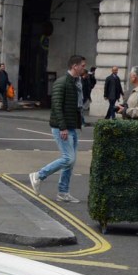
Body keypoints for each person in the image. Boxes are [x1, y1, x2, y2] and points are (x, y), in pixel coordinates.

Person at [28, 54, 86, 202]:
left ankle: (63, 192)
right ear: (75, 66)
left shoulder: (76, 82)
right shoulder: (62, 82)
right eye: (82, 66)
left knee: (71, 162)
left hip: (72, 126)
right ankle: (39, 175)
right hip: (62, 127)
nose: (84, 68)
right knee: (68, 158)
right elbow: (57, 107)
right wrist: (63, 127)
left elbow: (76, 106)